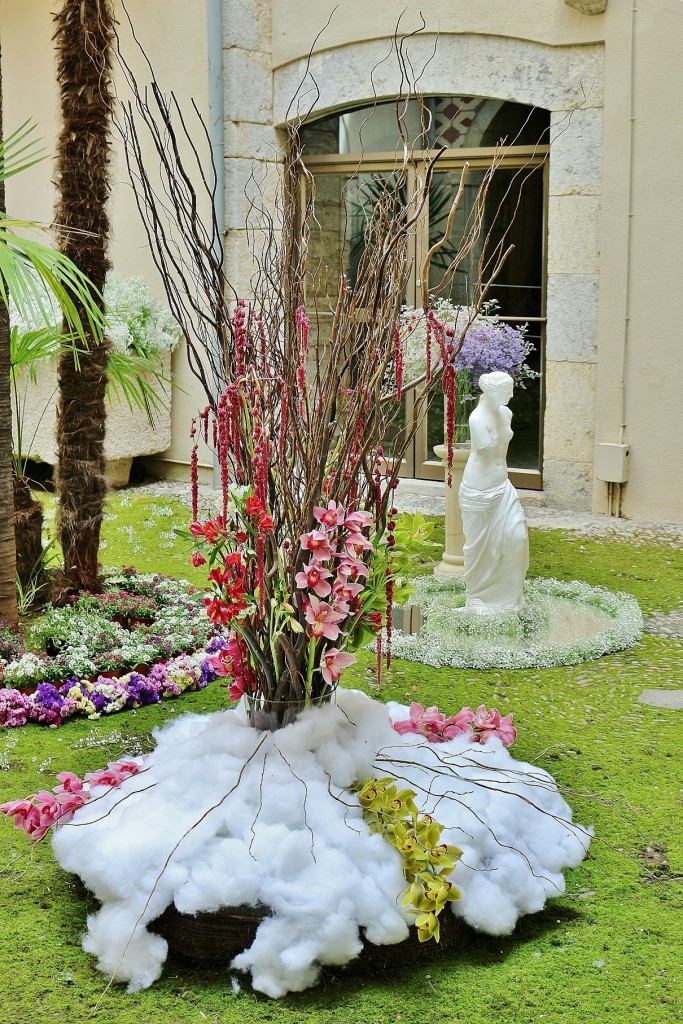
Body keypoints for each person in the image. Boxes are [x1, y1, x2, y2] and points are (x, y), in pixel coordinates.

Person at [459, 370, 529, 613]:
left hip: (503, 486)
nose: (511, 395)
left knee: (517, 537)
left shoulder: (506, 412)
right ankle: (476, 597)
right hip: (478, 489)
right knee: (478, 548)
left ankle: (509, 597)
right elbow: (486, 450)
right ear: (492, 391)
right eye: (507, 391)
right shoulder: (477, 419)